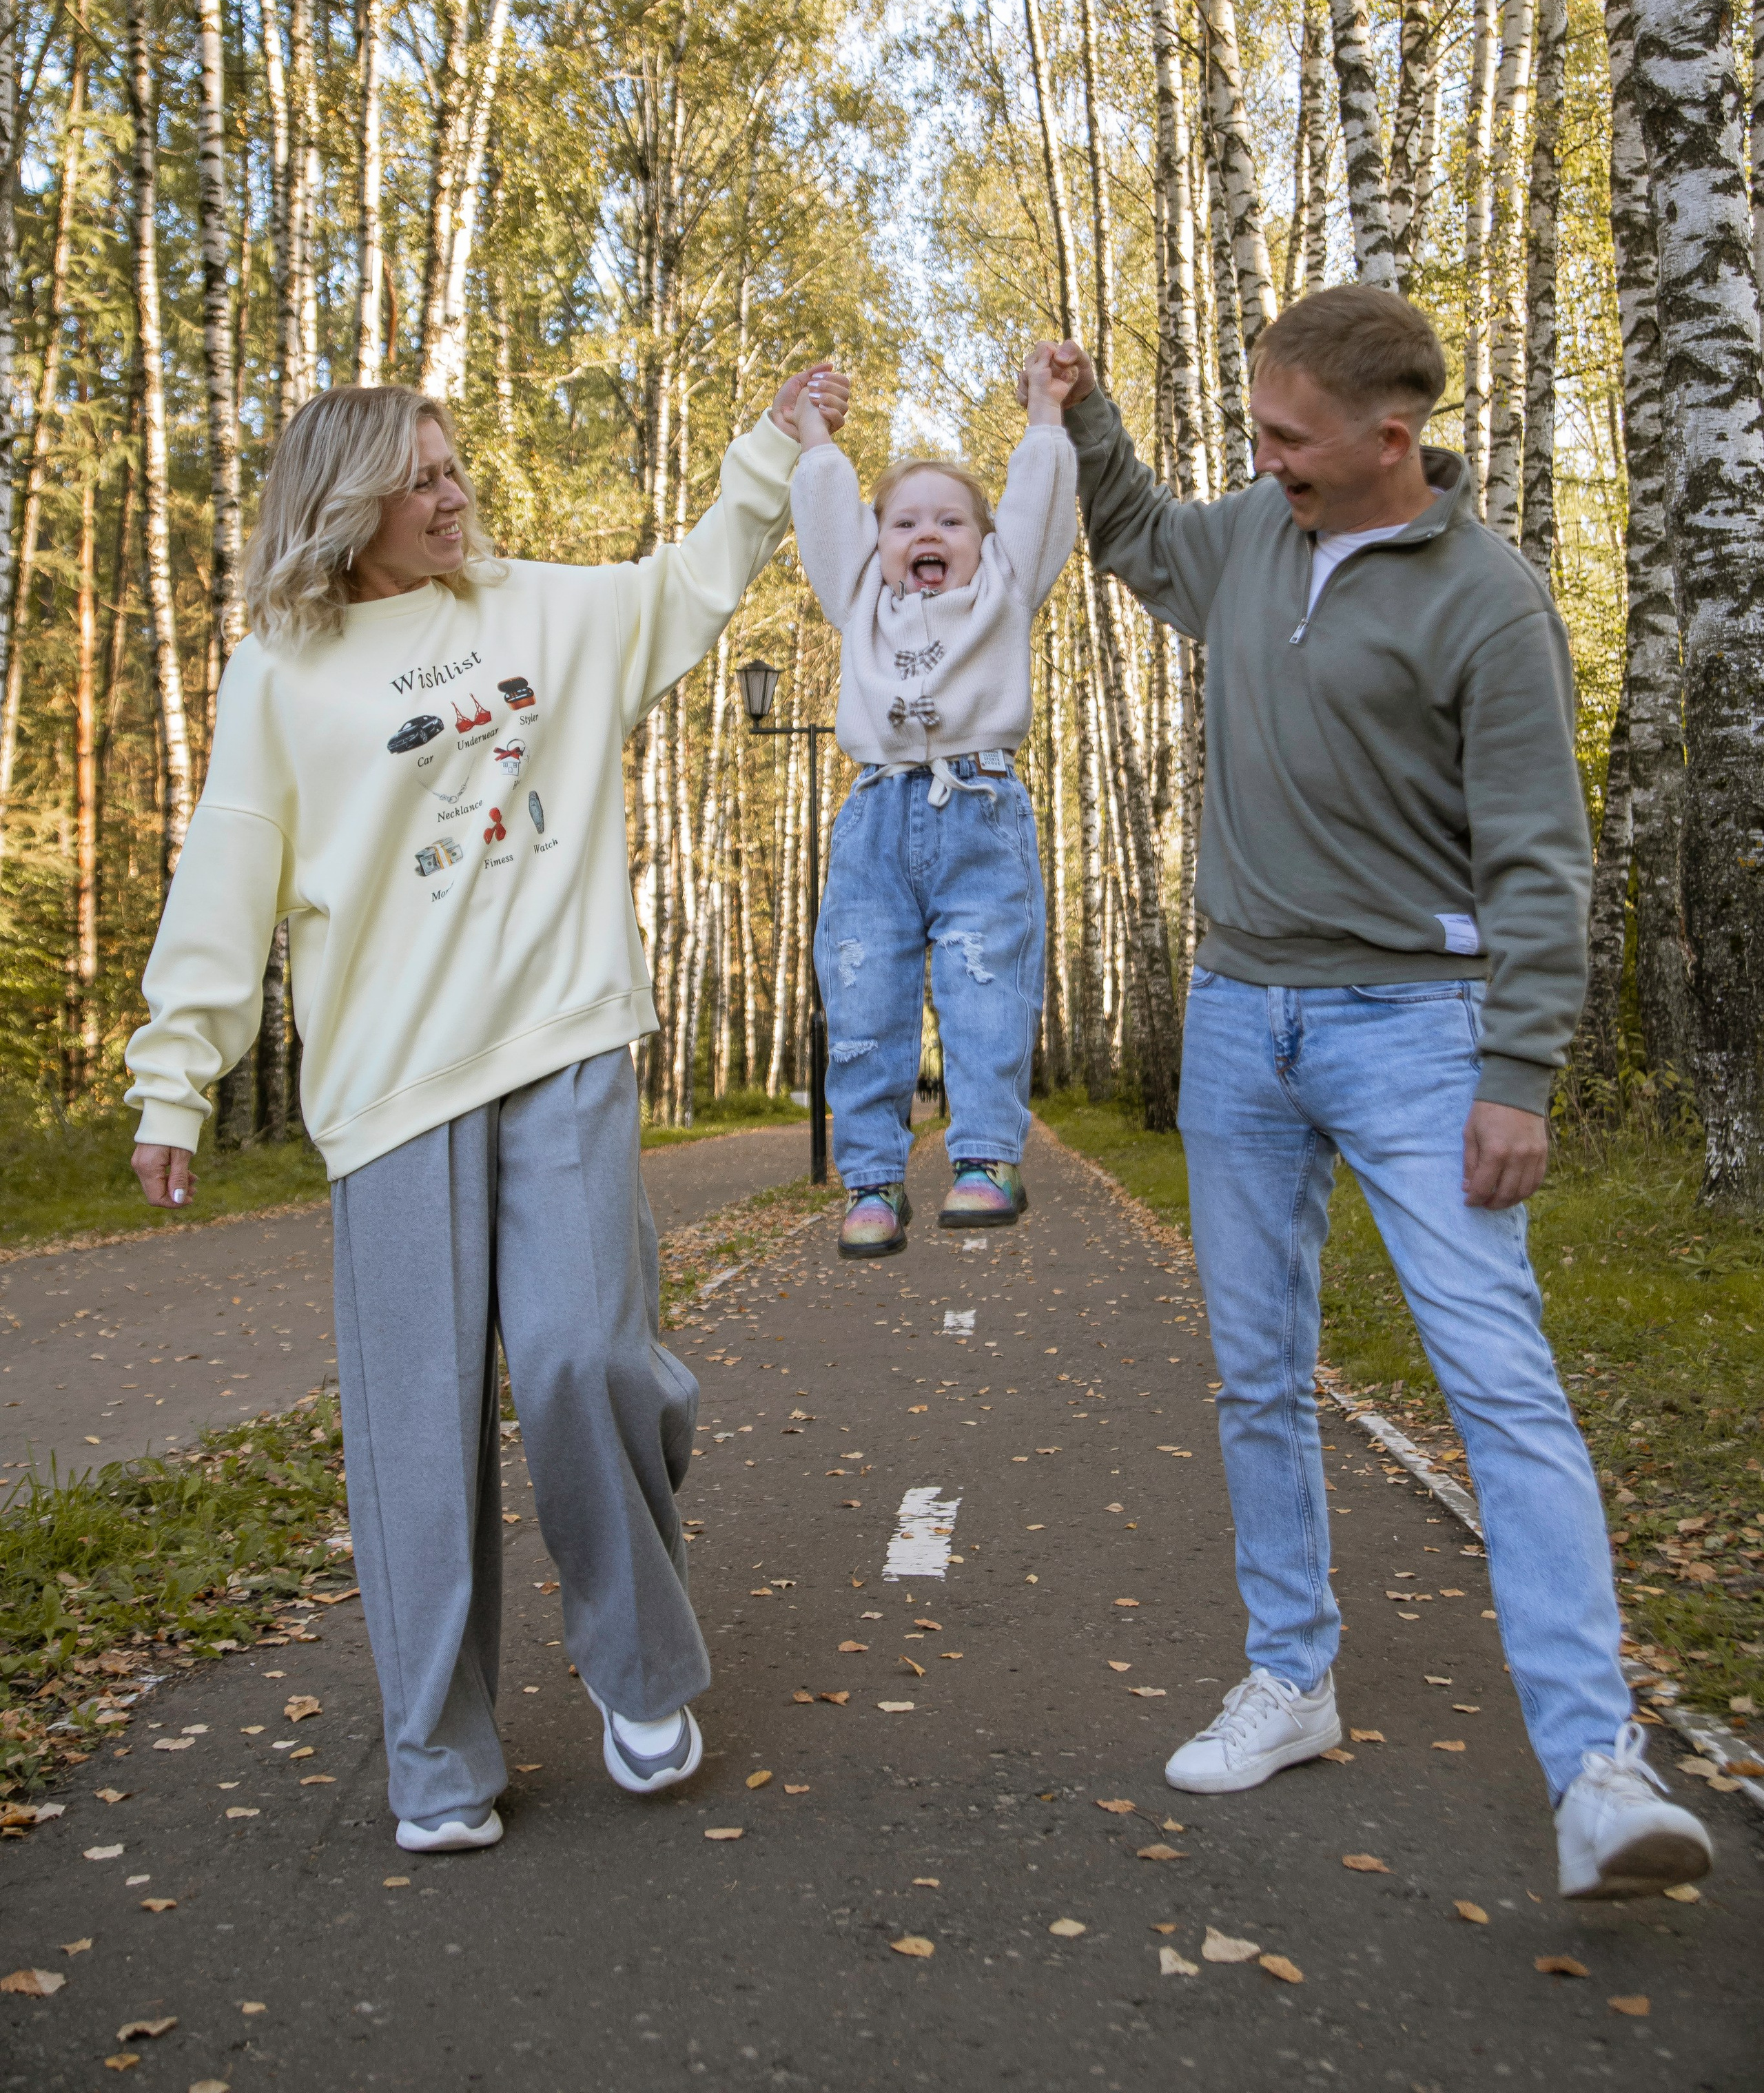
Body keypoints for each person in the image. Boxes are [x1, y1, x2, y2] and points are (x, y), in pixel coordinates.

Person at [1041, 286, 1712, 1902]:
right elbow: (1136, 533)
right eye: (1255, 433)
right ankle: (1293, 1678)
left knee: (1499, 1384)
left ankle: (1594, 1766)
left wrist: (1516, 1075)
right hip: (1235, 1018)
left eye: (1285, 436)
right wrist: (1083, 417)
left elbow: (1541, 865)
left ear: (1386, 440)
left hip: (1415, 1031)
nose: (1260, 459)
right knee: (1254, 1373)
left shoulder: (1488, 606)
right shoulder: (1254, 541)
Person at [124, 366, 845, 1855]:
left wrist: (768, 450)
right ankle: (438, 1761)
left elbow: (692, 581)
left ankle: (640, 1673)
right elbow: (230, 864)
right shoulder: (285, 669)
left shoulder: (542, 613)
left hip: (564, 1041)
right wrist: (174, 1073)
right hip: (392, 1089)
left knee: (587, 1360)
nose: (456, 495)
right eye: (423, 480)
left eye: (456, 468)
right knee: (416, 1439)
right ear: (346, 510)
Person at [790, 352, 1076, 1256]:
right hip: (875, 817)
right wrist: (812, 439)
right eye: (905, 520)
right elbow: (829, 518)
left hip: (980, 808)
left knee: (986, 989)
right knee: (863, 993)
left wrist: (1045, 416)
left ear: (986, 544)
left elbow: (1036, 504)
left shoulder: (1004, 591)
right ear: (877, 544)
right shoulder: (859, 600)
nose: (928, 532)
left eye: (951, 520)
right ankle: (872, 1183)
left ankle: (986, 1163)